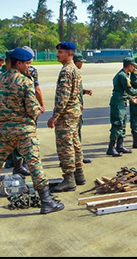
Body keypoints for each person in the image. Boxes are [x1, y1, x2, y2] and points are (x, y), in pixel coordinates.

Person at [0, 47, 63, 215]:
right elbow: (31, 110)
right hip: (24, 132)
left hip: (2, 132)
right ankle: (46, 202)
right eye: (27, 64)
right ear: (19, 63)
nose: (28, 67)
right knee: (35, 165)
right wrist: (38, 110)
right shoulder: (26, 82)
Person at [47, 42, 84, 192]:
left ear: (69, 53)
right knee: (75, 143)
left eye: (60, 52)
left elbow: (63, 97)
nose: (57, 55)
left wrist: (55, 116)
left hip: (66, 115)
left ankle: (69, 179)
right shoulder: (74, 69)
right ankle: (79, 174)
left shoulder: (66, 71)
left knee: (65, 146)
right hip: (74, 112)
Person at [107, 57, 137, 157]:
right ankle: (111, 147)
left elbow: (122, 91)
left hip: (121, 102)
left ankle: (120, 146)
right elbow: (129, 89)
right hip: (118, 103)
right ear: (129, 65)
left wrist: (130, 98)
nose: (133, 68)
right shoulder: (122, 76)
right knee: (117, 124)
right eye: (133, 66)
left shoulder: (124, 74)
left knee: (122, 123)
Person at [73, 54, 93, 164]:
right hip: (73, 110)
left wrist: (84, 91)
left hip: (76, 109)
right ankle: (71, 157)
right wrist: (77, 104)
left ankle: (77, 156)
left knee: (77, 133)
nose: (82, 64)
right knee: (74, 133)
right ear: (77, 62)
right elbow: (69, 93)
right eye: (81, 62)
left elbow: (77, 90)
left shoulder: (76, 73)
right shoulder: (72, 73)